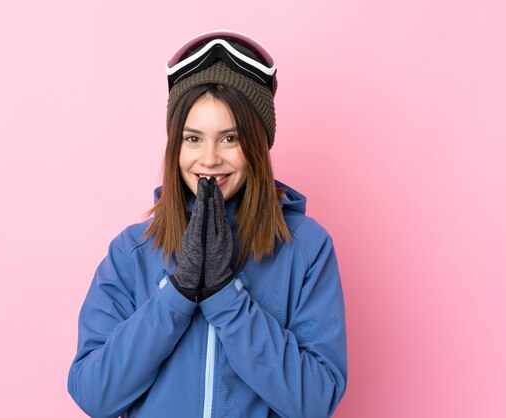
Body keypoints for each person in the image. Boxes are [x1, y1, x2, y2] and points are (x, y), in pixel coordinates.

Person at [67, 30, 348, 418]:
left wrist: (225, 298)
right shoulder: (131, 252)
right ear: (175, 146)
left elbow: (315, 402)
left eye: (229, 138)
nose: (210, 159)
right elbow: (94, 394)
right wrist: (177, 294)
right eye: (193, 138)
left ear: (257, 147)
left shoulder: (307, 248)